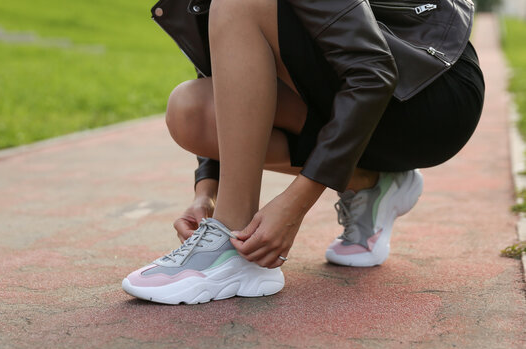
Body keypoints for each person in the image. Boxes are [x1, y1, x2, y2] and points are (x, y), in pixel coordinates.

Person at [122, 0, 484, 304]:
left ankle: (230, 245)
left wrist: (296, 203)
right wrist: (207, 191)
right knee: (191, 112)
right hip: (357, 84)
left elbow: (371, 71)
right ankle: (369, 182)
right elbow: (225, 72)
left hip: (429, 90)